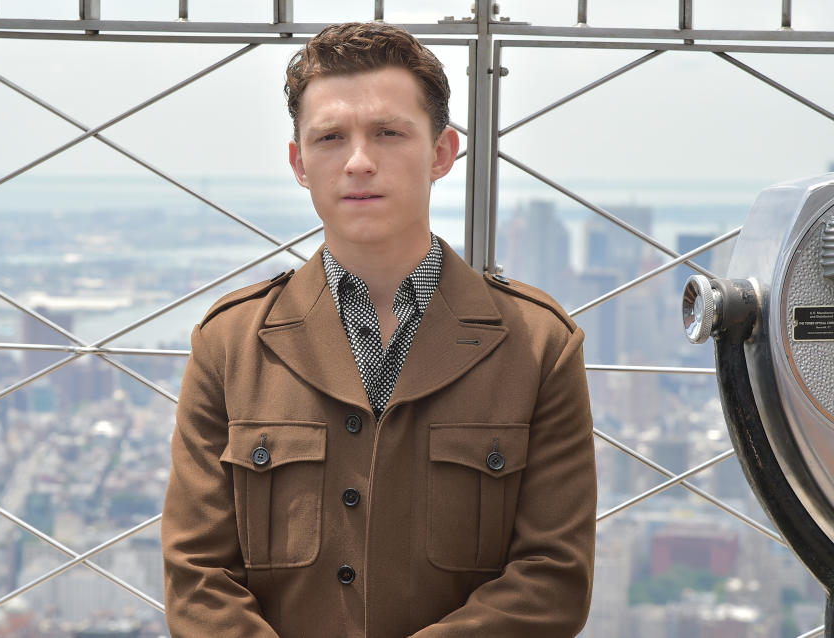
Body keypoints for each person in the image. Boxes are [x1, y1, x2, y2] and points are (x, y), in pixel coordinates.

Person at [162, 22, 596, 638]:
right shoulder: (229, 344)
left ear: (443, 153)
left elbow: (553, 579)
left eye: (389, 134)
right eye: (331, 137)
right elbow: (197, 577)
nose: (360, 162)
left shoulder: (539, 346)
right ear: (300, 163)